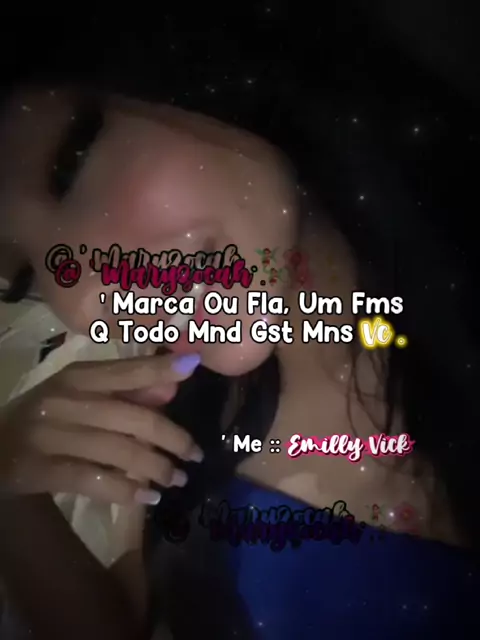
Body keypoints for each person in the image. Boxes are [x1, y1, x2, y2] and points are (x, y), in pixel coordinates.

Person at [0, 9, 479, 640]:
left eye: (73, 162)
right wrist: (14, 500)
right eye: (28, 277)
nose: (86, 303)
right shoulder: (183, 429)